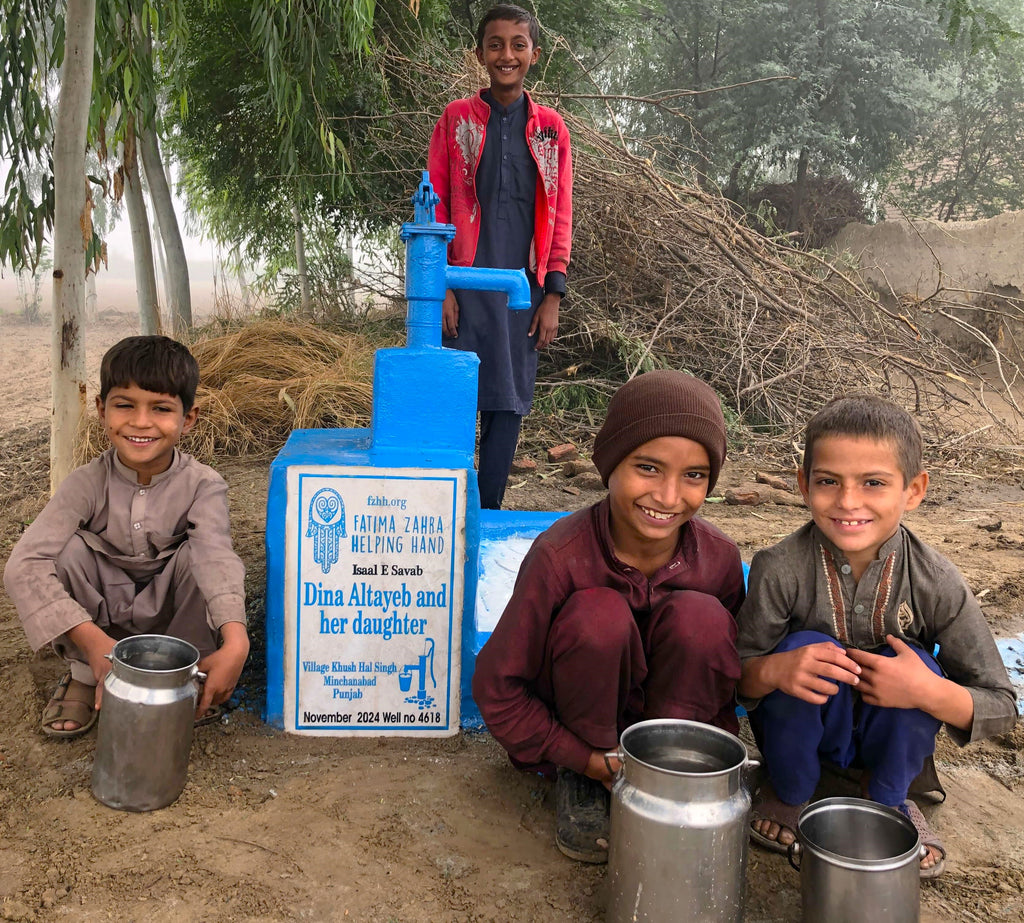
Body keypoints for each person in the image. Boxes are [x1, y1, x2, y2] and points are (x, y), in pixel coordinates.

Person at [737, 394, 1017, 879]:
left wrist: (926, 691)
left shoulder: (937, 581)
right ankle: (789, 790)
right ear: (803, 485)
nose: (848, 502)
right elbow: (735, 677)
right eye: (828, 482)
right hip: (801, 737)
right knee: (799, 653)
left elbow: (1001, 704)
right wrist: (771, 670)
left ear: (913, 490)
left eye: (873, 483)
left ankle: (887, 798)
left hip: (888, 746)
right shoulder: (778, 568)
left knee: (919, 669)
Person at [472, 370, 744, 863]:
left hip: (673, 743)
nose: (667, 496)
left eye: (694, 476)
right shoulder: (560, 555)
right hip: (583, 741)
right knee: (597, 616)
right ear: (609, 464)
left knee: (702, 620)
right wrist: (580, 756)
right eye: (648, 468)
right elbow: (498, 686)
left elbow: (729, 673)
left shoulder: (719, 560)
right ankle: (587, 785)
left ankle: (672, 773)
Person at [4, 335, 250, 738]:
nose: (140, 422)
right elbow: (23, 565)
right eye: (124, 405)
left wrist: (236, 643)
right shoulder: (85, 484)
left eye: (161, 408)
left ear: (188, 418)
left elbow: (217, 558)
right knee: (65, 553)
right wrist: (95, 647)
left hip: (173, 622)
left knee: (199, 560)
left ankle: (185, 677)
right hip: (99, 623)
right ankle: (86, 673)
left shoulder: (204, 485)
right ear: (102, 410)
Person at [427, 3, 572, 509]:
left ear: (534, 53)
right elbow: (438, 201)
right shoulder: (456, 119)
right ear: (480, 54)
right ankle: (446, 508)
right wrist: (441, 285)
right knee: (456, 393)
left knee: (509, 398)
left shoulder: (552, 130)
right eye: (495, 44)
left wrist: (551, 293)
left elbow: (561, 214)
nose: (506, 55)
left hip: (521, 289)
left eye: (517, 44)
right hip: (464, 281)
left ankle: (487, 510)